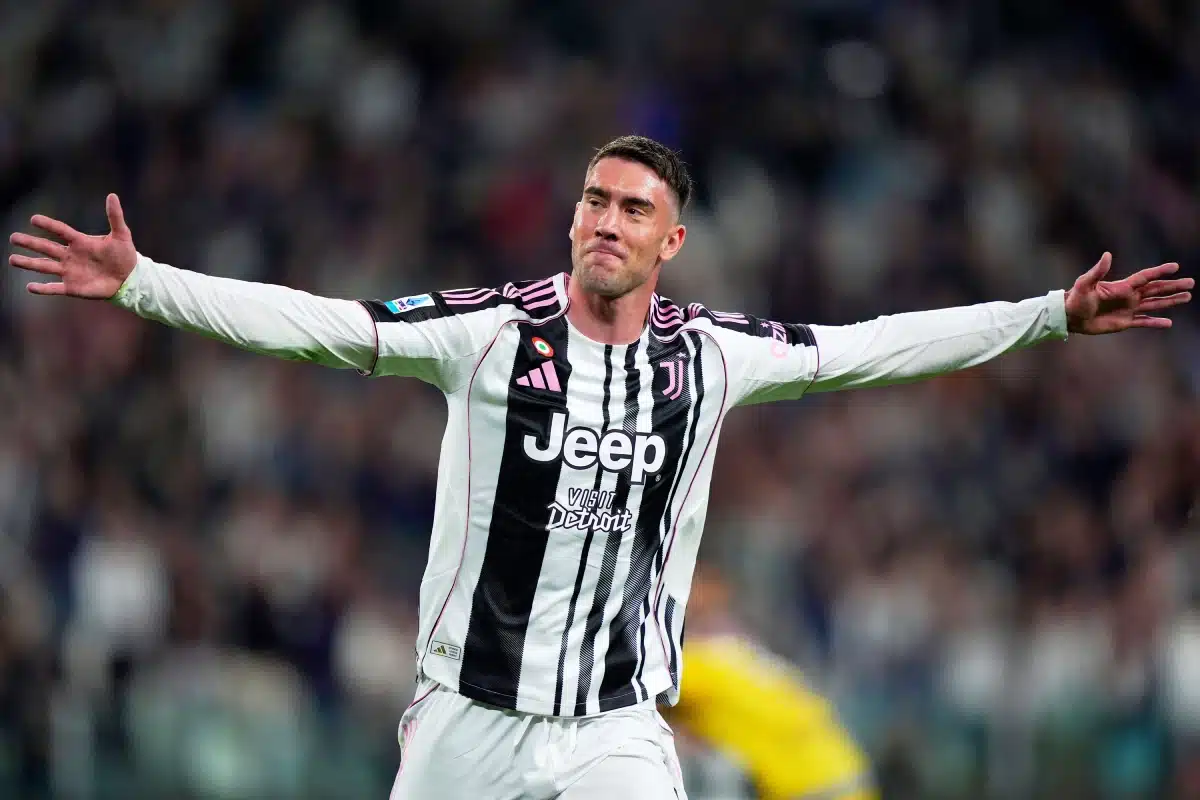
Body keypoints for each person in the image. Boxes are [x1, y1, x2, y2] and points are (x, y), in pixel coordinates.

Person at [7, 135, 1191, 799]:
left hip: (618, 727)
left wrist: (1050, 314)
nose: (604, 220)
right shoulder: (487, 333)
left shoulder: (713, 356)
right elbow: (314, 322)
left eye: (632, 208)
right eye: (592, 200)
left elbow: (877, 349)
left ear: (671, 240)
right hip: (468, 718)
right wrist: (145, 280)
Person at [666, 562, 876, 800]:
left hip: (812, 790)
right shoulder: (739, 654)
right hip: (848, 780)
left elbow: (633, 685)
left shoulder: (702, 667)